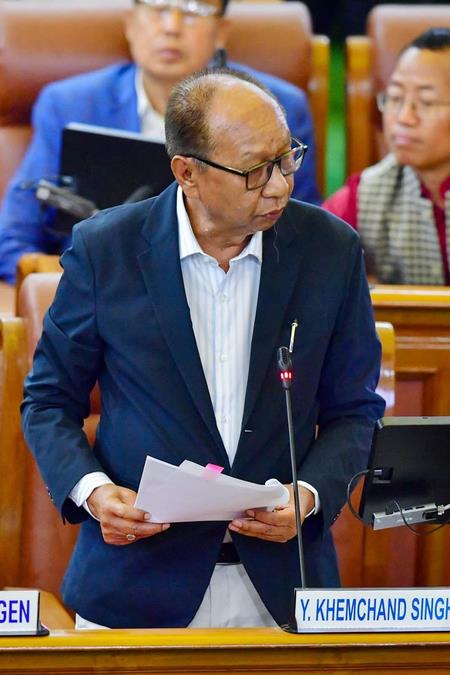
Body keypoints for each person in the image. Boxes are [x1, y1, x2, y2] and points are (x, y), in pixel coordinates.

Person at [22, 67, 385, 630]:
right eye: (255, 170)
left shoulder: (330, 250)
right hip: (137, 581)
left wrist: (310, 495)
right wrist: (93, 493)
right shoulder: (106, 249)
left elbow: (356, 410)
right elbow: (48, 402)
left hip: (284, 588)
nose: (280, 185)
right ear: (187, 172)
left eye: (287, 158)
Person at [0, 0, 320, 285]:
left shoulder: (275, 108)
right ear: (130, 24)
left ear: (221, 32)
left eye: (193, 10)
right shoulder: (70, 105)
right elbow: (14, 236)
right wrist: (63, 284)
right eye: (157, 7)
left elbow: (300, 233)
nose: (171, 27)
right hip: (98, 295)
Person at [323, 28, 450, 285]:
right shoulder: (366, 193)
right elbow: (313, 260)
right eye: (394, 98)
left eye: (426, 102)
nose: (403, 118)